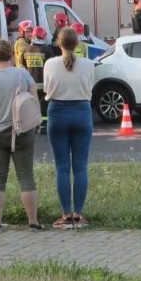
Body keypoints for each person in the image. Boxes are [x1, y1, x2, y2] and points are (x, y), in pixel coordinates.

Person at [0, 38, 43, 232]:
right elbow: (33, 104)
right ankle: (33, 221)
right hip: (21, 132)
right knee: (26, 176)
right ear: (12, 55)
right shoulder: (23, 75)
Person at [44, 26, 95, 230]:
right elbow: (90, 87)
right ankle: (79, 214)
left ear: (58, 43)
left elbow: (47, 88)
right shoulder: (89, 64)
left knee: (62, 166)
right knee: (80, 166)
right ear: (78, 44)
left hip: (57, 112)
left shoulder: (50, 63)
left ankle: (66, 214)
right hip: (82, 112)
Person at [23, 26, 55, 134]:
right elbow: (51, 65)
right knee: (44, 105)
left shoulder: (27, 48)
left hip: (31, 84)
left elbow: (23, 64)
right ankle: (43, 126)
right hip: (44, 83)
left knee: (33, 105)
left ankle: (33, 126)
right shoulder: (46, 49)